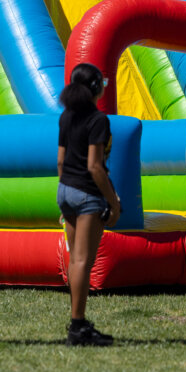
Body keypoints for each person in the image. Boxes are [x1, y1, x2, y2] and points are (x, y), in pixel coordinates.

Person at [57, 63, 121, 347]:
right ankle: (77, 325)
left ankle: (78, 320)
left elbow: (60, 161)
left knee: (75, 260)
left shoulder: (66, 117)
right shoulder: (98, 120)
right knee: (84, 261)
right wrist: (114, 201)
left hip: (66, 189)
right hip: (87, 194)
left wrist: (66, 191)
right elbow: (95, 166)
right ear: (95, 87)